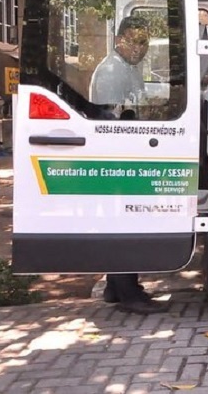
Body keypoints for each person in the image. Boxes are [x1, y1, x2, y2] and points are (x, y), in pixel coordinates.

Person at [90, 16, 169, 315]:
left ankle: (116, 287)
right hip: (117, 156)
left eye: (144, 42)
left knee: (122, 220)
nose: (140, 48)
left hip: (123, 154)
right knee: (126, 220)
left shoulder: (128, 69)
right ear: (119, 39)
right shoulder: (112, 72)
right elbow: (113, 121)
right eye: (134, 41)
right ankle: (128, 293)